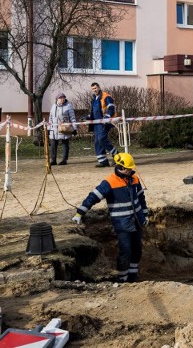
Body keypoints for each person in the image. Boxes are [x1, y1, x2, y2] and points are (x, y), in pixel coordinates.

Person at [73, 153, 148, 283]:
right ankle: (123, 280)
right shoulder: (109, 182)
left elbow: (141, 198)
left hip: (136, 221)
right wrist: (80, 212)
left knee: (137, 250)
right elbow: (93, 197)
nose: (130, 171)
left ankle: (132, 277)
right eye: (128, 169)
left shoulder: (134, 179)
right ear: (120, 167)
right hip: (122, 224)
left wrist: (144, 215)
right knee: (126, 252)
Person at [88, 82, 118, 167]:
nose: (94, 90)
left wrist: (107, 116)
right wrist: (88, 117)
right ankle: (103, 161)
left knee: (101, 139)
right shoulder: (94, 98)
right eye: (93, 89)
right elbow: (94, 112)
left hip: (105, 122)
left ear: (99, 87)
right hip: (96, 123)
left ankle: (116, 155)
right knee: (97, 141)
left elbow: (111, 108)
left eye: (95, 88)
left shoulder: (106, 96)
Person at [48, 92, 77, 165]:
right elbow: (50, 118)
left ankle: (64, 160)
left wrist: (74, 128)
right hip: (54, 128)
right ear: (57, 99)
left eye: (63, 97)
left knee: (65, 143)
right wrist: (49, 128)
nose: (62, 99)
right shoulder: (53, 106)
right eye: (60, 98)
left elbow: (72, 117)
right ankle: (53, 160)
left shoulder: (68, 106)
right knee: (53, 144)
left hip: (65, 128)